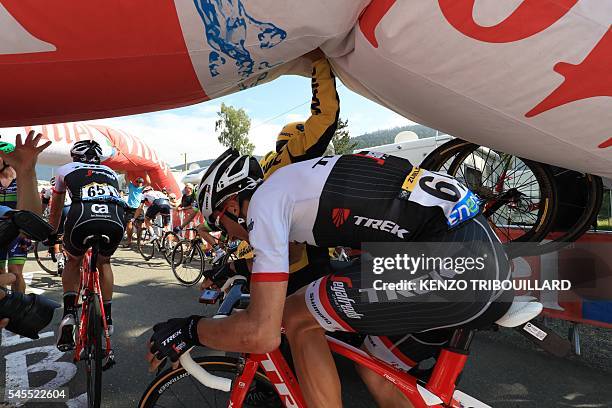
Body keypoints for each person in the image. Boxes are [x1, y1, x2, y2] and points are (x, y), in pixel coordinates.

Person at [147, 149, 514, 407]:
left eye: (223, 227)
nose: (231, 237)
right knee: (377, 369)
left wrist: (192, 329)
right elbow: (291, 256)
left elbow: (262, 332)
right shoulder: (303, 182)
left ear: (231, 207)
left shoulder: (265, 201)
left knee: (295, 316)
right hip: (483, 259)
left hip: (453, 259)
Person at [50, 140, 126, 351]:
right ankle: (107, 317)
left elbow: (56, 209)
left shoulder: (64, 169)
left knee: (73, 261)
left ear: (74, 156)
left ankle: (68, 314)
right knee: (104, 262)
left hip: (81, 216)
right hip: (115, 219)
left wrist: (51, 234)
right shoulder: (110, 172)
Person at [0, 131, 51, 295]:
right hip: (2, 230)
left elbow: (32, 215)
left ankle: (17, 303)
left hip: (18, 232)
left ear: (6, 160)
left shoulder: (20, 180)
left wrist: (26, 171)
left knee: (16, 271)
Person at [123, 176, 147, 247]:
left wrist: (146, 173)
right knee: (130, 224)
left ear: (142, 183)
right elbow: (126, 178)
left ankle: (134, 242)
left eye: (140, 182)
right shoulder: (131, 186)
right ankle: (132, 242)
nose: (138, 183)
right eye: (137, 181)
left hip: (138, 208)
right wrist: (126, 171)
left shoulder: (141, 189)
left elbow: (149, 182)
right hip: (132, 208)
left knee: (138, 225)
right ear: (135, 182)